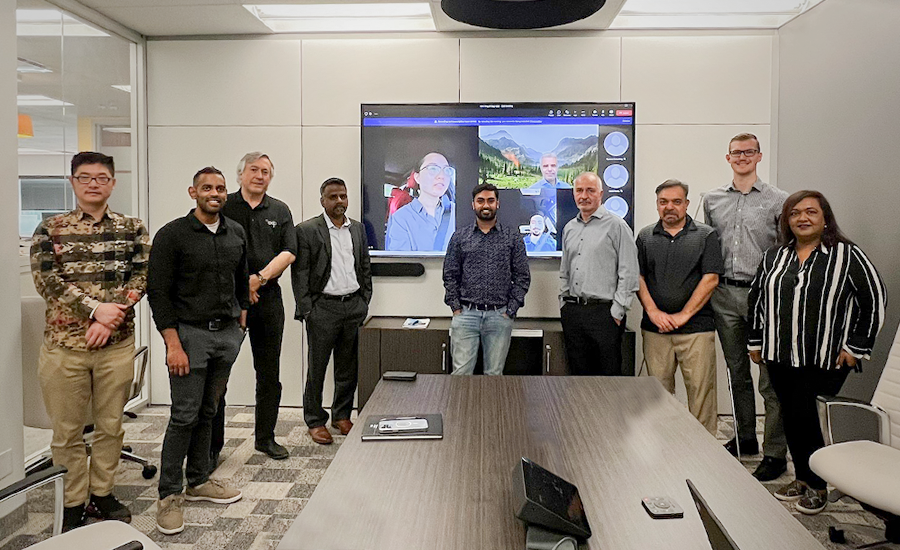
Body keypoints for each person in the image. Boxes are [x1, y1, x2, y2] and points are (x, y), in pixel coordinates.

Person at [31, 151, 150, 531]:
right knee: (66, 431)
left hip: (115, 346)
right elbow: (48, 282)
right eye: (85, 178)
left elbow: (142, 277)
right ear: (73, 182)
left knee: (110, 425)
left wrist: (109, 316)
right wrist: (94, 310)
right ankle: (73, 500)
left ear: (113, 183)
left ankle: (102, 493)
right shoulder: (50, 229)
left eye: (101, 177)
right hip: (64, 348)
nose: (93, 184)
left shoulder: (132, 228)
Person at [748, 190, 885, 515]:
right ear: (786, 220)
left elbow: (875, 299)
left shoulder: (847, 255)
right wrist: (756, 341)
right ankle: (804, 478)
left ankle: (819, 486)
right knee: (792, 419)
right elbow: (757, 300)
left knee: (806, 417)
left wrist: (856, 346)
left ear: (825, 218)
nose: (802, 218)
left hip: (825, 358)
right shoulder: (775, 257)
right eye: (794, 213)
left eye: (810, 211)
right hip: (779, 355)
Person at [147, 167, 247, 535]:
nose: (215, 193)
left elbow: (243, 278)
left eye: (220, 188)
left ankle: (200, 479)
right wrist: (173, 344)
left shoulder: (234, 231)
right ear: (193, 192)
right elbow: (158, 294)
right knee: (184, 415)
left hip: (226, 335)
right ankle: (169, 495)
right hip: (189, 337)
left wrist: (241, 324)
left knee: (209, 409)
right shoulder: (172, 235)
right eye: (207, 187)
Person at [703, 132, 790, 481]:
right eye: (736, 153)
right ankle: (745, 438)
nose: (742, 157)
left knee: (770, 379)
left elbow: (787, 251)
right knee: (736, 371)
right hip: (724, 295)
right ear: (728, 158)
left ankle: (775, 453)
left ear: (759, 156)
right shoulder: (711, 200)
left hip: (764, 297)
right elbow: (707, 248)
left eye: (748, 152)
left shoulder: (778, 200)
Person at [211, 152, 296, 465]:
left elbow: (288, 252)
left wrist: (258, 280)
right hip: (228, 302)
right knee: (219, 374)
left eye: (266, 171)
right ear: (240, 174)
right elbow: (210, 249)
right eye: (254, 170)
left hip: (268, 299)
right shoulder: (224, 206)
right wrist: (240, 286)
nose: (260, 175)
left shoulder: (280, 209)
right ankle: (212, 446)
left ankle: (265, 438)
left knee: (269, 373)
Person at [636, 180, 724, 434]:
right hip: (656, 330)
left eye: (676, 201)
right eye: (663, 202)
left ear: (686, 204)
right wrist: (653, 312)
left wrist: (684, 315)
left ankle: (704, 453)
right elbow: (638, 278)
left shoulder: (706, 235)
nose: (670, 207)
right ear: (657, 205)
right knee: (658, 395)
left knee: (701, 393)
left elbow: (711, 279)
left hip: (696, 329)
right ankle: (664, 448)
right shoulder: (644, 236)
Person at [292, 178, 372, 445]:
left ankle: (341, 416)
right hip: (322, 308)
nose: (339, 201)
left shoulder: (358, 229)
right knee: (317, 367)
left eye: (343, 196)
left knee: (348, 366)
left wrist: (364, 299)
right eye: (333, 197)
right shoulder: (306, 230)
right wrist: (308, 310)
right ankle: (315, 420)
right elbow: (300, 273)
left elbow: (364, 266)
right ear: (323, 200)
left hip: (353, 306)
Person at [443, 183, 530, 375]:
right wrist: (456, 308)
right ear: (473, 204)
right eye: (480, 201)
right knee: (461, 375)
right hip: (466, 315)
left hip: (499, 316)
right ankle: (461, 407)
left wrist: (510, 309)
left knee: (494, 376)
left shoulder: (512, 238)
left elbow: (522, 276)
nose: (486, 205)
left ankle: (491, 407)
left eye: (490, 200)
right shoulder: (459, 237)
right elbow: (450, 274)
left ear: (497, 204)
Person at [559, 171, 639, 375]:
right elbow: (565, 270)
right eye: (579, 190)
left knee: (608, 378)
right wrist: (564, 304)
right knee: (578, 376)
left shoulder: (617, 226)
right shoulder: (569, 228)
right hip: (574, 312)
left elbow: (628, 271)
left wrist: (618, 310)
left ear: (601, 194)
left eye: (590, 190)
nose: (584, 196)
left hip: (604, 314)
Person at [385, 152, 456, 252]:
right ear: (417, 177)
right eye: (433, 169)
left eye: (447, 170)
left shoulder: (458, 213)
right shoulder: (400, 218)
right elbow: (401, 263)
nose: (442, 176)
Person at [523, 153, 571, 231]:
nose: (549, 169)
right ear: (541, 168)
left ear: (557, 167)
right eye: (545, 166)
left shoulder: (568, 188)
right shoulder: (532, 188)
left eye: (553, 165)